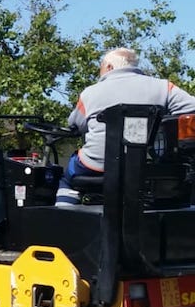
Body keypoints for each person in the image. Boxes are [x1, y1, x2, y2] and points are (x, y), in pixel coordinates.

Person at [57, 47, 195, 205]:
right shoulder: (163, 87)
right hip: (143, 167)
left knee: (66, 179)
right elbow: (191, 107)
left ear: (109, 67)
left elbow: (75, 125)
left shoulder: (90, 93)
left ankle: (62, 213)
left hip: (96, 166)